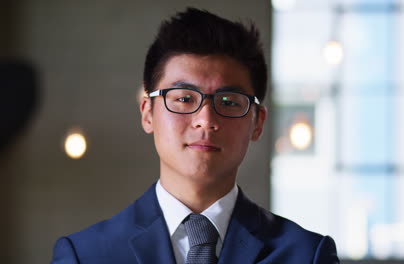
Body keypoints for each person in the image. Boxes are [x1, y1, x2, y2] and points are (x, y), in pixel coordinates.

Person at [51, 7, 339, 264]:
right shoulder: (86, 254)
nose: (205, 120)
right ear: (148, 113)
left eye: (228, 102)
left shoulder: (305, 254)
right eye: (184, 99)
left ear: (258, 123)